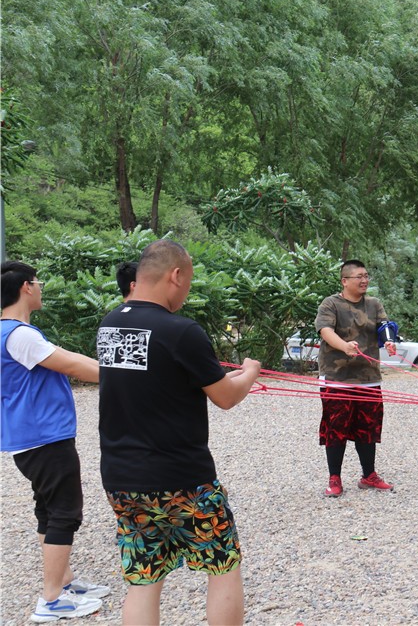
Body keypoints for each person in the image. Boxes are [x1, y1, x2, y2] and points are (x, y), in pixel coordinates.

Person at [97, 240, 261, 625]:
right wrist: (250, 372)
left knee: (144, 577)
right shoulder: (181, 331)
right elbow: (225, 396)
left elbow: (156, 376)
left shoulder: (110, 324)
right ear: (175, 275)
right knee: (222, 565)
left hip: (123, 479)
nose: (186, 291)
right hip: (183, 480)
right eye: (188, 281)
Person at [2, 261, 110, 623]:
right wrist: (124, 376)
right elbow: (72, 366)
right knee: (65, 512)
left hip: (30, 438)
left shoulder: (11, 332)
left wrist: (110, 369)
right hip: (44, 437)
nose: (41, 288)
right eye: (38, 282)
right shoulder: (20, 335)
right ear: (26, 287)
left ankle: (64, 582)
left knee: (48, 509)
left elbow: (70, 358)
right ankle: (51, 599)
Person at [315, 259, 397, 497]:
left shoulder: (374, 303)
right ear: (345, 281)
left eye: (366, 276)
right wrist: (344, 346)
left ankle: (368, 475)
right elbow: (325, 331)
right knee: (336, 427)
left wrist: (389, 341)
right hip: (336, 377)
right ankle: (335, 478)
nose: (364, 280)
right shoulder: (330, 303)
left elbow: (384, 326)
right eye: (359, 276)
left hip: (368, 377)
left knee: (368, 427)